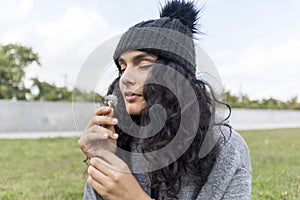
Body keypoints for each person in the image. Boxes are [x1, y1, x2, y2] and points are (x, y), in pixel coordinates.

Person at [78, 0, 252, 199]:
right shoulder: (121, 140)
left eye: (143, 64)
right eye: (122, 67)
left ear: (175, 75)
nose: (125, 78)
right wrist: (104, 158)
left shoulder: (226, 148)